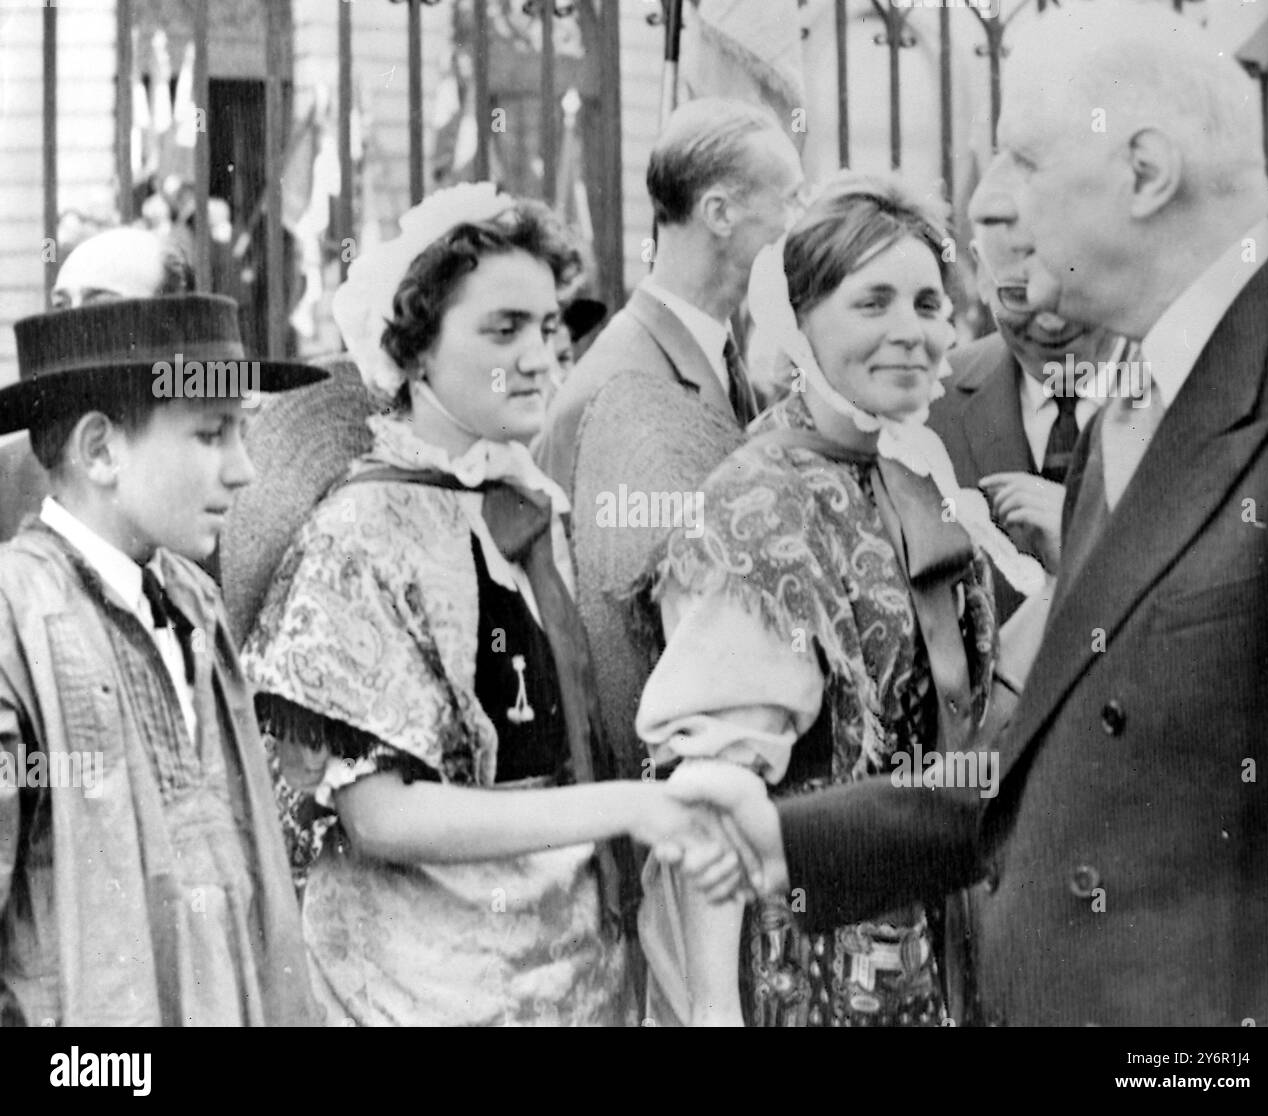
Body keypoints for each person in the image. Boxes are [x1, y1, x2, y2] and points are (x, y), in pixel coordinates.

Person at [662, 2, 1268, 1027]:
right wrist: (786, 837)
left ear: (1141, 173)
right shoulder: (1136, 411)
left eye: (1020, 162)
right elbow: (1039, 763)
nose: (991, 206)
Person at [237, 184, 738, 1026]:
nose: (542, 355)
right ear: (415, 352)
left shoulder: (524, 503)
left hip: (574, 976)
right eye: (503, 330)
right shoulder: (362, 530)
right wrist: (631, 807)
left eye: (549, 326)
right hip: (417, 987)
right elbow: (381, 814)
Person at [634, 174, 1045, 1027]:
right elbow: (710, 790)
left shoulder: (906, 463)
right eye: (873, 302)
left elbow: (972, 705)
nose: (912, 331)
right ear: (799, 318)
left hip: (935, 923)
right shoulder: (758, 505)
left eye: (930, 303)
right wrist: (712, 1017)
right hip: (813, 954)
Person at [0, 293, 324, 1026]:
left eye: (242, 431)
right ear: (101, 450)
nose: (243, 469)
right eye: (212, 434)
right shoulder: (13, 619)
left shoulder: (193, 604)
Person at [534, 96, 805, 815]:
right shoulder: (617, 385)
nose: (801, 222)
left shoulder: (717, 351)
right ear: (719, 213)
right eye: (791, 199)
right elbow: (599, 641)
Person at [928, 188, 1122, 621]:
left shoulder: (1192, 393)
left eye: (1074, 289)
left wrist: (1084, 538)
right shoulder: (929, 401)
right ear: (980, 274)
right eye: (1018, 295)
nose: (1052, 321)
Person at [0, 227, 195, 544]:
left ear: (171, 326)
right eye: (62, 306)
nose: (71, 325)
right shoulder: (10, 473)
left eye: (99, 305)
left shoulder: (217, 460)